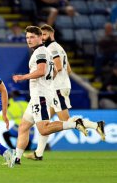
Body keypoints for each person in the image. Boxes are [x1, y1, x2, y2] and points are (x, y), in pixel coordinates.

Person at [12, 26, 105, 165]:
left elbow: (44, 70)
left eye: (33, 37)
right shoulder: (48, 50)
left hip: (46, 93)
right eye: (27, 38)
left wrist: (23, 77)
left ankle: (77, 124)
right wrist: (50, 82)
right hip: (45, 92)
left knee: (47, 126)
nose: (29, 40)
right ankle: (20, 157)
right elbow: (65, 69)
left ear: (41, 37)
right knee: (24, 126)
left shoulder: (45, 51)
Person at [24, 24, 73, 160]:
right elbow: (68, 70)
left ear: (52, 34)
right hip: (59, 87)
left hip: (56, 89)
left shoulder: (51, 48)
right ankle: (38, 153)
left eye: (44, 35)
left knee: (66, 121)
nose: (43, 38)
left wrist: (48, 81)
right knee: (45, 123)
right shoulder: (60, 48)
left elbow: (57, 67)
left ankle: (92, 125)